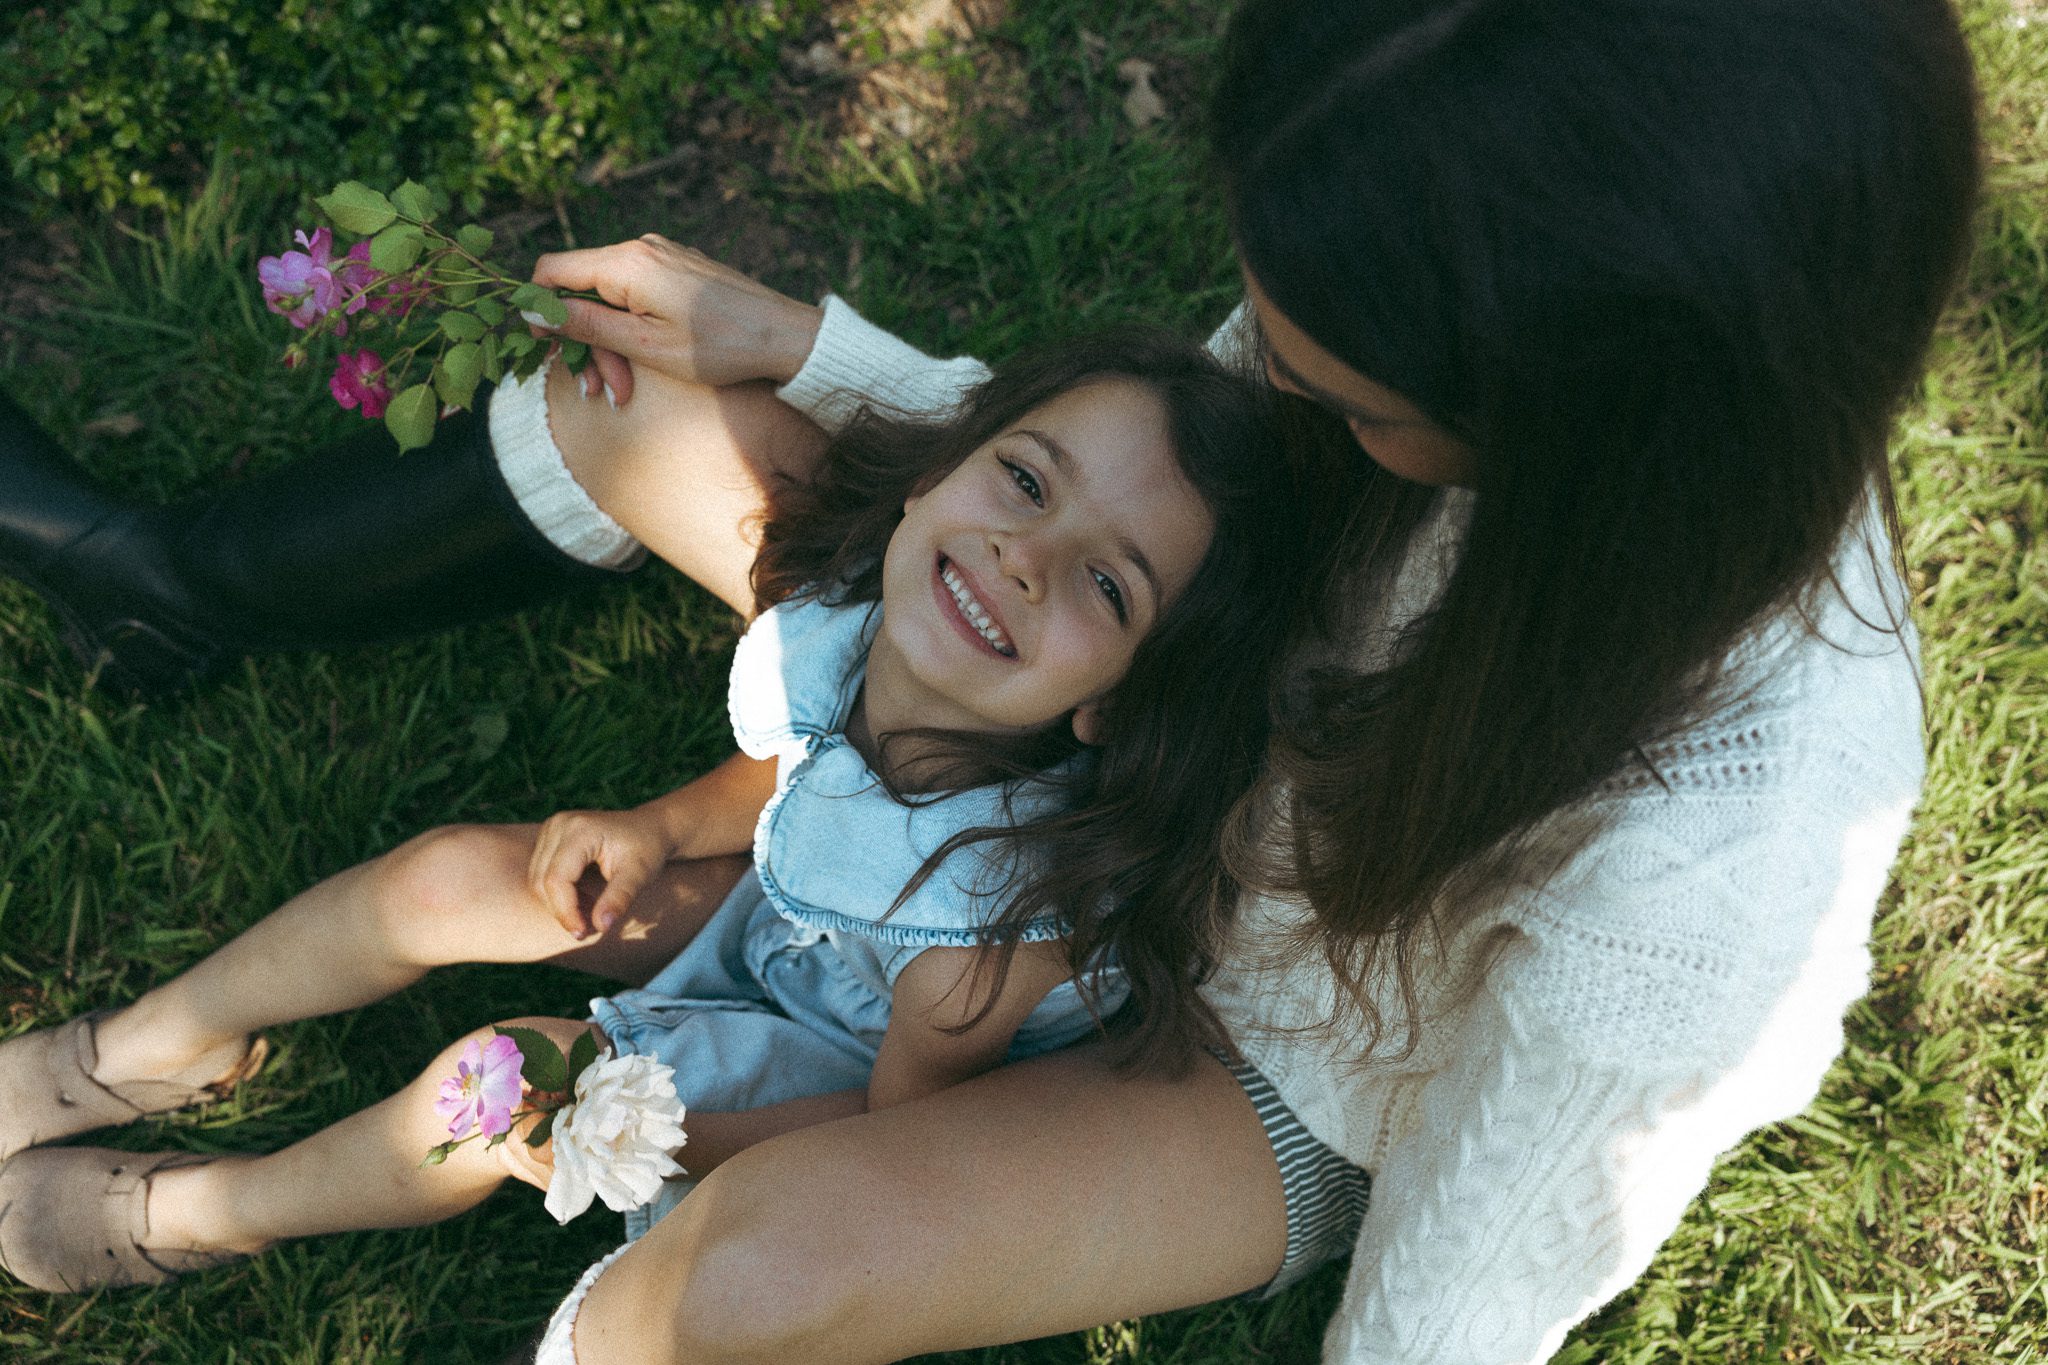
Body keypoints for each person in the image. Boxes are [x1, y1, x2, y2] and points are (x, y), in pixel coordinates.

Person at [0, 0, 1983, 1361]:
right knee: (634, 393)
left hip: (1249, 1048)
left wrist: (893, 1119)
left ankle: (226, 1208)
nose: (1267, 377)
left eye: (1340, 390)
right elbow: (1124, 506)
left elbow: (1485, 1267)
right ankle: (172, 599)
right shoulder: (1438, 265)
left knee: (744, 1276)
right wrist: (809, 344)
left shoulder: (1726, 827)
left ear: (1575, 416)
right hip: (1065, 736)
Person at [0, 330, 1305, 1295]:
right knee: (456, 874)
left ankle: (204, 1211)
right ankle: (139, 1045)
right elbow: (801, 771)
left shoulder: (993, 921)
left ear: (1116, 708)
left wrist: (644, 1136)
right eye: (1026, 481)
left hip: (849, 1060)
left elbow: (900, 1136)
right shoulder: (865, 626)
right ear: (939, 473)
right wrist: (667, 829)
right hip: (797, 916)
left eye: (1107, 587)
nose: (1027, 554)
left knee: (503, 1086)